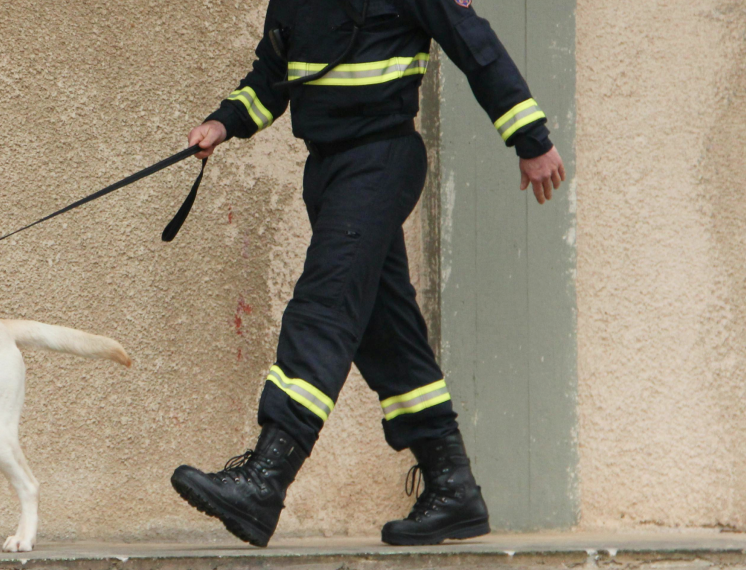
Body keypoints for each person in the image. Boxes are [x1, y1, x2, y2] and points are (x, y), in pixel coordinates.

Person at [169, 0, 566, 547]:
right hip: (328, 169)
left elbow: (475, 45)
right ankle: (454, 487)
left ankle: (267, 476)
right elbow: (271, 76)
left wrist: (531, 137)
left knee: (325, 303)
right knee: (387, 333)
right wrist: (222, 123)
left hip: (381, 158)